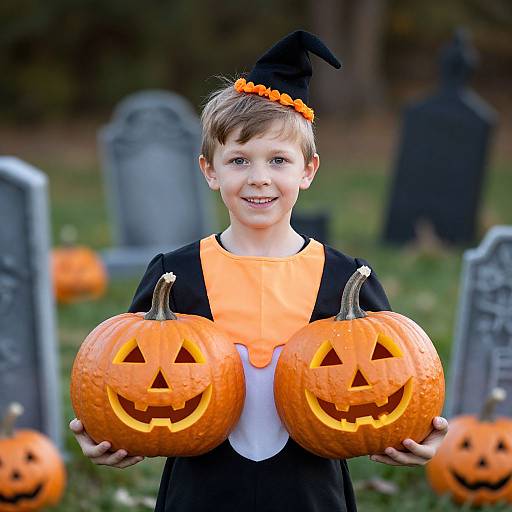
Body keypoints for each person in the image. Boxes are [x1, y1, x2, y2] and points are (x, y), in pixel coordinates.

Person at [70, 30, 448, 512]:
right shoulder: (175, 273)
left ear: (307, 170)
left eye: (278, 160)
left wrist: (413, 436)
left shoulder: (345, 278)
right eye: (239, 160)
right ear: (210, 170)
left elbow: (396, 376)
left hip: (311, 491)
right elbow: (123, 372)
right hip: (201, 491)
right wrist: (108, 434)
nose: (259, 178)